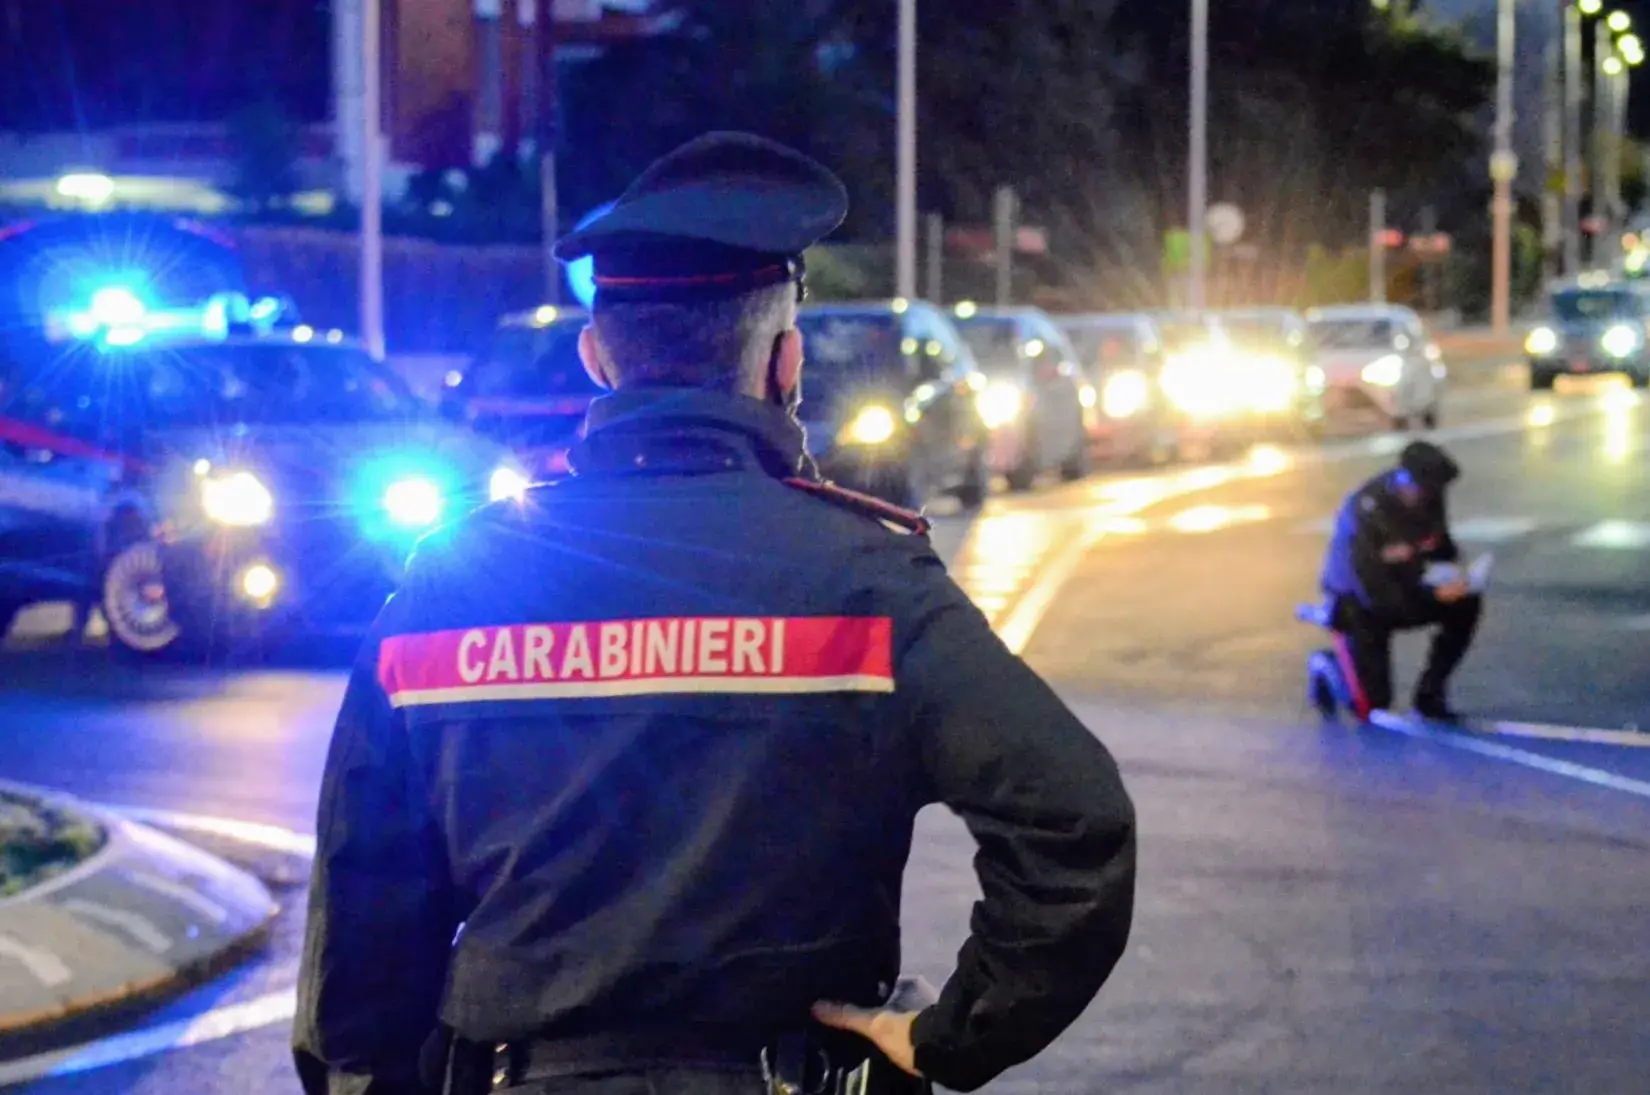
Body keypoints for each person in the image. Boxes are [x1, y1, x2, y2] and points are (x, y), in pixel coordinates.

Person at [292, 133, 1137, 1095]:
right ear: (787, 362)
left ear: (596, 356)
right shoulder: (868, 581)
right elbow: (1072, 824)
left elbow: (361, 910)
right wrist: (957, 1032)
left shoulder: (451, 581)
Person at [1317, 440, 1482, 721]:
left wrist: (1456, 576)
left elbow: (1440, 545)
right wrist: (1434, 596)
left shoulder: (1429, 497)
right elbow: (1373, 591)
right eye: (1426, 491)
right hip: (1358, 601)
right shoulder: (1367, 509)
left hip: (1405, 586)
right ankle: (1327, 666)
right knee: (1372, 708)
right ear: (1406, 481)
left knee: (1466, 604)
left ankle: (1430, 695)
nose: (1432, 499)